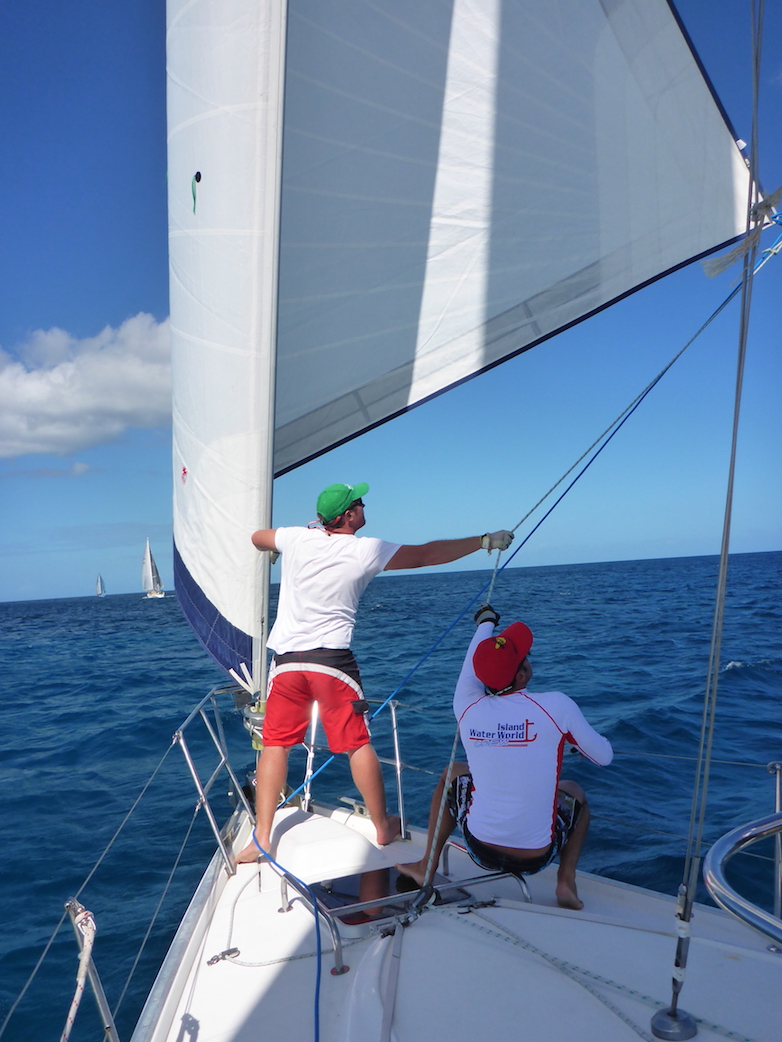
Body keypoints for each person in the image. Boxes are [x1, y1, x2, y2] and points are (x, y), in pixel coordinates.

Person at [237, 482, 514, 863]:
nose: (366, 505)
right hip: (331, 664)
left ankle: (263, 837)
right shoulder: (363, 549)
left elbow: (256, 537)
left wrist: (279, 545)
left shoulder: (296, 538)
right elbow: (424, 555)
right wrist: (484, 540)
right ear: (349, 516)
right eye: (360, 502)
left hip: (285, 663)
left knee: (275, 745)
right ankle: (382, 826)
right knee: (356, 744)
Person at [396, 606, 612, 909]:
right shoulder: (557, 705)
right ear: (523, 673)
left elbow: (470, 666)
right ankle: (565, 881)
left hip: (478, 847)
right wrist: (571, 738)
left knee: (452, 772)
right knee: (575, 791)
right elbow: (604, 756)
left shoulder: (467, 704)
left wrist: (486, 622)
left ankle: (425, 867)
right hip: (537, 856)